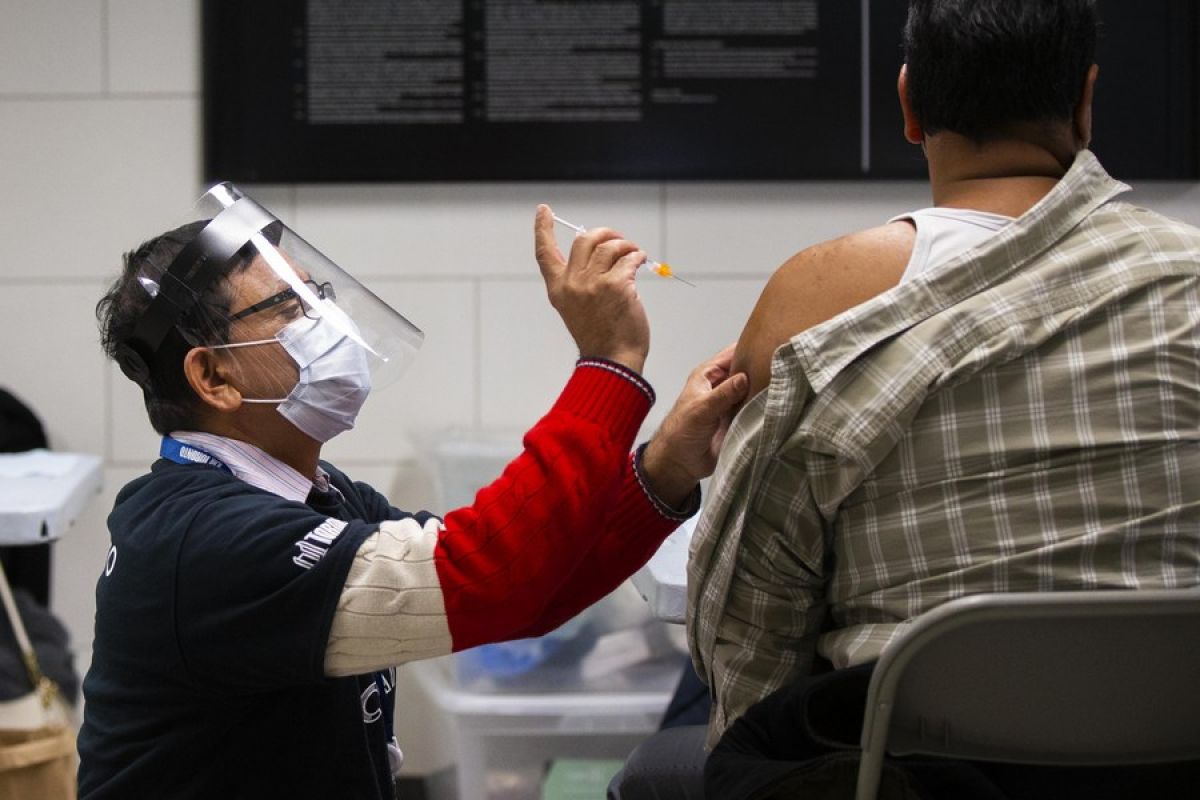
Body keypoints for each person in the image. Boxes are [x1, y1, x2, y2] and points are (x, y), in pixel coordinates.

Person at [77, 187, 748, 799]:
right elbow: (488, 576)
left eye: (319, 297)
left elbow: (525, 587)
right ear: (215, 378)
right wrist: (608, 364)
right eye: (291, 308)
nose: (327, 321)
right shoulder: (203, 539)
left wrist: (666, 466)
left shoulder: (318, 497)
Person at [686, 0, 1200, 796]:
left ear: (908, 106)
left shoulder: (821, 297)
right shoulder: (1187, 275)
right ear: (1085, 100)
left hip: (915, 773)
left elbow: (749, 624)